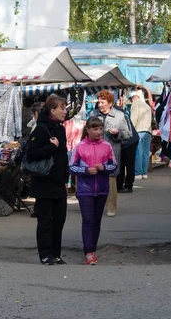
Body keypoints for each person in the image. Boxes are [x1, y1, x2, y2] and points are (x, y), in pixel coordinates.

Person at [27, 95, 69, 265]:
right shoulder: (40, 129)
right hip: (44, 183)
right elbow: (31, 154)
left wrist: (66, 179)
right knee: (45, 221)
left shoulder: (61, 129)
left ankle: (56, 253)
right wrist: (51, 147)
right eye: (62, 108)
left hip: (59, 182)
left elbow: (63, 156)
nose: (65, 112)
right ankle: (45, 254)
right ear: (53, 110)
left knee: (59, 220)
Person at [69, 117, 116, 265]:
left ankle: (93, 249)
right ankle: (88, 252)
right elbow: (71, 167)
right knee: (88, 220)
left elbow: (114, 164)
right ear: (88, 130)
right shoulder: (79, 147)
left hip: (102, 189)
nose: (98, 132)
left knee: (97, 221)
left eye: (100, 129)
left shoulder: (107, 146)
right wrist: (86, 170)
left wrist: (104, 167)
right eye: (95, 129)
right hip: (85, 190)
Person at [89, 90, 131, 217]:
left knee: (111, 178)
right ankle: (94, 206)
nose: (100, 105)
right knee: (94, 177)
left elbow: (128, 134)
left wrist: (117, 133)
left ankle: (111, 207)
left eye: (102, 102)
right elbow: (87, 131)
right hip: (94, 151)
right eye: (99, 102)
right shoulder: (93, 114)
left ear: (110, 103)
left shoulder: (120, 116)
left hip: (112, 152)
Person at [117, 101, 139, 193]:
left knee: (129, 163)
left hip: (130, 140)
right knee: (121, 163)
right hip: (123, 141)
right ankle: (119, 185)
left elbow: (127, 131)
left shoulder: (118, 114)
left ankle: (128, 185)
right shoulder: (118, 111)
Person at [130, 90, 153, 180]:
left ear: (134, 97)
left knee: (138, 152)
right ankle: (144, 172)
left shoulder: (136, 103)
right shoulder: (147, 106)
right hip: (148, 131)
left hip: (139, 130)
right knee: (145, 152)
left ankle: (138, 173)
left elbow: (133, 118)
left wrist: (131, 129)